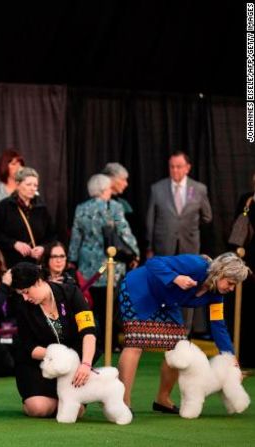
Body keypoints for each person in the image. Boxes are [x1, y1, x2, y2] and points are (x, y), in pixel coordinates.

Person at [116, 253, 250, 412]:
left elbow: (218, 326)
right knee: (135, 344)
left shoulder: (217, 295)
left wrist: (231, 359)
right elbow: (153, 263)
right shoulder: (196, 264)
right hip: (140, 289)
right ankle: (123, 403)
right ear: (220, 272)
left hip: (167, 301)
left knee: (178, 348)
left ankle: (162, 399)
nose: (232, 289)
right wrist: (176, 278)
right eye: (230, 283)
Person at [7, 262, 97, 418]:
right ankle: (55, 401)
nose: (25, 297)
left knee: (77, 411)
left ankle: (64, 400)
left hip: (73, 364)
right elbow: (29, 346)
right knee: (39, 408)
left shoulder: (72, 293)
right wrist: (58, 355)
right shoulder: (23, 306)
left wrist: (86, 364)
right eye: (21, 293)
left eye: (26, 292)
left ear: (38, 281)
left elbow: (88, 331)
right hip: (39, 364)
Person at [68, 174, 138, 348]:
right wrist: (135, 253)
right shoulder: (114, 207)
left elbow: (76, 237)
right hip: (110, 263)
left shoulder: (81, 208)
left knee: (92, 305)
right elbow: (124, 232)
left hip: (87, 265)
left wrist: (72, 260)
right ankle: (111, 342)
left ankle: (93, 340)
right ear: (104, 190)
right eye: (108, 189)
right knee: (111, 306)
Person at [145, 151, 212, 334]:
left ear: (187, 168)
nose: (175, 170)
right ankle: (162, 329)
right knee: (163, 286)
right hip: (163, 246)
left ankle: (184, 330)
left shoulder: (198, 189)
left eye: (179, 166)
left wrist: (189, 228)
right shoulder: (157, 188)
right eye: (172, 166)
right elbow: (150, 219)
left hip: (189, 246)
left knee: (189, 286)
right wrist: (149, 246)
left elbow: (207, 217)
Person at [0, 167, 55, 267]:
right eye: (28, 184)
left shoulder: (42, 208)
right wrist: (14, 244)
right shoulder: (5, 206)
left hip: (36, 264)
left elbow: (52, 235)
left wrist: (43, 248)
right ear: (17, 184)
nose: (33, 188)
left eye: (35, 185)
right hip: (11, 263)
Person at [232, 172, 255, 367]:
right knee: (247, 311)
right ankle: (245, 357)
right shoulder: (246, 199)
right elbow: (236, 231)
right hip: (248, 264)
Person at [0, 149, 25, 218]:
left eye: (20, 164)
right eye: (14, 164)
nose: (18, 167)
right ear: (5, 166)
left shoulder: (28, 187)